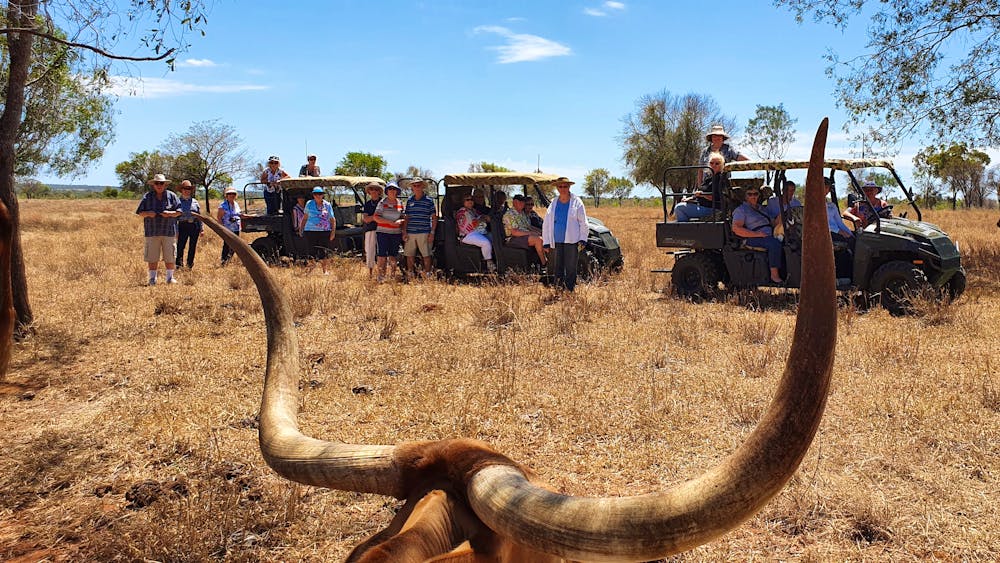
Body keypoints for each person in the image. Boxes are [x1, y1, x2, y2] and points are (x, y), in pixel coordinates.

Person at [542, 177, 589, 291]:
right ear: (557, 188)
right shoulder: (554, 202)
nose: (562, 189)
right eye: (560, 186)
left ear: (569, 187)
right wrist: (546, 242)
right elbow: (547, 223)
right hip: (557, 240)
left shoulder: (577, 202)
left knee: (571, 266)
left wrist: (583, 239)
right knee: (558, 266)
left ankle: (569, 290)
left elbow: (583, 222)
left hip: (572, 240)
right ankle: (558, 288)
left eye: (565, 186)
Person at [135, 173, 181, 285]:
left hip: (168, 231)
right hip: (152, 231)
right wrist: (148, 214)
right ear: (153, 185)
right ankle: (152, 279)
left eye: (161, 183)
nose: (159, 185)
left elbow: (179, 212)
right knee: (152, 256)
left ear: (165, 184)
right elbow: (140, 212)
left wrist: (170, 213)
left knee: (170, 256)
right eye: (157, 183)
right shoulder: (147, 196)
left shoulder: (172, 196)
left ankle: (170, 278)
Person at [732, 186, 783, 284]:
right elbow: (736, 229)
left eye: (755, 194)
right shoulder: (742, 210)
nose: (753, 197)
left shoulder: (762, 209)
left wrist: (782, 215)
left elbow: (773, 223)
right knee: (774, 243)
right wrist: (757, 234)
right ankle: (774, 275)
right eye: (750, 194)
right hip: (752, 238)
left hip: (768, 235)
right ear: (745, 197)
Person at [402, 178, 437, 280]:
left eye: (419, 185)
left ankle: (428, 275)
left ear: (422, 187)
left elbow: (434, 217)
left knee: (426, 254)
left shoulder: (429, 201)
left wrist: (432, 232)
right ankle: (410, 275)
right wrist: (404, 231)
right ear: (412, 188)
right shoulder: (409, 201)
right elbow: (406, 217)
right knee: (409, 254)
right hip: (411, 232)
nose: (417, 187)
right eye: (415, 185)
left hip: (424, 232)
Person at [675, 153, 725, 222]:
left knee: (679, 208)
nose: (714, 165)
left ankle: (684, 231)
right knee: (681, 205)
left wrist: (703, 194)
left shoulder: (720, 178)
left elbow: (716, 197)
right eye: (711, 163)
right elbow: (699, 194)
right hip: (702, 206)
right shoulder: (708, 178)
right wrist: (689, 198)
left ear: (722, 165)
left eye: (717, 163)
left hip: (712, 208)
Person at [373, 183, 405, 282]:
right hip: (383, 233)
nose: (392, 191)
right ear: (387, 191)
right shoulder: (382, 203)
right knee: (382, 255)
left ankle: (392, 276)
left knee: (393, 255)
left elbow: (403, 218)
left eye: (394, 189)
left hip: (396, 233)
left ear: (397, 191)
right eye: (390, 189)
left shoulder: (400, 203)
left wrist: (401, 222)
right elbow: (376, 217)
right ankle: (381, 277)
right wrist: (390, 222)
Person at [455, 193, 495, 271]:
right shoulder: (462, 212)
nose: (470, 201)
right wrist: (483, 218)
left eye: (471, 199)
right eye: (467, 200)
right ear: (463, 202)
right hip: (467, 235)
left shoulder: (473, 210)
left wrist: (485, 217)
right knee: (485, 243)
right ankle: (489, 263)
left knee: (494, 237)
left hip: (476, 232)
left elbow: (481, 218)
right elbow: (474, 224)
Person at [300, 187, 336, 274]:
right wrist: (301, 228)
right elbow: (305, 217)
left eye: (320, 194)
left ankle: (325, 270)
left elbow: (332, 219)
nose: (318, 196)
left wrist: (333, 232)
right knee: (311, 250)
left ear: (323, 195)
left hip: (324, 231)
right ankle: (311, 270)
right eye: (316, 194)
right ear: (313, 195)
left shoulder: (327, 205)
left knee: (324, 250)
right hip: (310, 230)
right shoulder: (309, 204)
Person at [504, 195, 547, 266]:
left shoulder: (522, 213)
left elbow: (529, 226)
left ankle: (546, 261)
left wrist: (542, 232)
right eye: (520, 202)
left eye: (523, 202)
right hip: (513, 238)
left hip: (523, 236)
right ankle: (544, 264)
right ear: (515, 202)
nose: (523, 204)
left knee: (543, 237)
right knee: (538, 240)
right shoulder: (510, 214)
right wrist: (531, 233)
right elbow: (514, 232)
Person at [175, 180, 203, 270]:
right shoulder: (177, 202)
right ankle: (179, 266)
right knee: (180, 246)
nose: (187, 190)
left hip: (194, 226)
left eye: (189, 189)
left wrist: (201, 229)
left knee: (192, 246)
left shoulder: (195, 202)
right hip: (182, 225)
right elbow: (175, 218)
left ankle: (189, 265)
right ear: (181, 190)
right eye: (185, 189)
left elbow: (199, 216)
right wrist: (176, 231)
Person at [362, 182, 383, 277]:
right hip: (370, 230)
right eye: (372, 189)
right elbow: (366, 219)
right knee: (370, 251)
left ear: (379, 191)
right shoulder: (367, 204)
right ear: (369, 192)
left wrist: (373, 218)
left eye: (376, 189)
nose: (374, 191)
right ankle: (370, 274)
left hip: (383, 229)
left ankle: (381, 273)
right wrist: (376, 218)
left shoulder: (383, 203)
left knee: (381, 252)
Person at [217, 186, 242, 265]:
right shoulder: (223, 205)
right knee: (227, 245)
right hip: (227, 228)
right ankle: (224, 261)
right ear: (226, 195)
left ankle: (229, 259)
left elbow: (239, 214)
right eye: (229, 193)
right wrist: (222, 229)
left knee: (235, 245)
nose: (232, 195)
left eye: (233, 193)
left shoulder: (236, 204)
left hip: (236, 228)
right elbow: (219, 218)